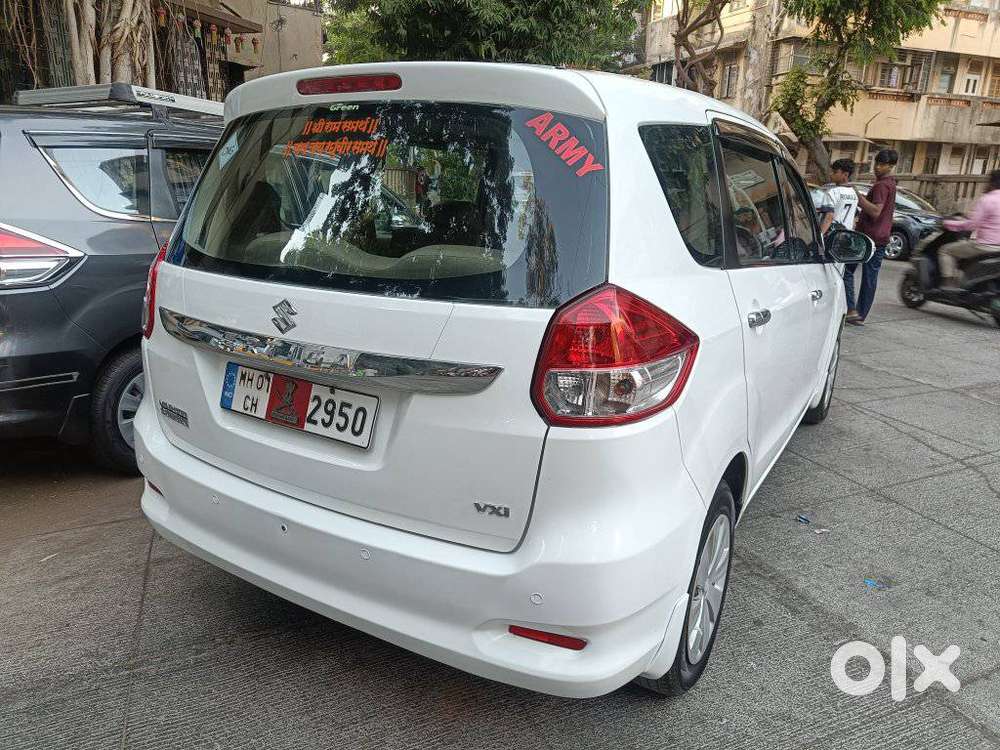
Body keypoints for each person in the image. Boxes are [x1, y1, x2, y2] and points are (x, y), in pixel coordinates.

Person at [844, 149, 898, 326]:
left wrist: (857, 196)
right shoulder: (890, 184)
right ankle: (859, 313)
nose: (877, 167)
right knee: (870, 277)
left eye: (882, 165)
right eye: (877, 163)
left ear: (890, 166)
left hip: (869, 237)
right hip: (881, 237)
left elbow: (875, 211)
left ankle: (852, 309)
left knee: (847, 270)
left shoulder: (882, 185)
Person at [938, 169, 1000, 286]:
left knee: (945, 251)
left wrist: (947, 223)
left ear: (992, 183)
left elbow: (971, 225)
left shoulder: (987, 199)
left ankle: (948, 283)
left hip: (984, 246)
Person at [816, 159, 859, 236]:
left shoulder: (832, 192)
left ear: (845, 175)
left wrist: (820, 237)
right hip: (846, 235)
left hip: (832, 235)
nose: (831, 174)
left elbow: (829, 217)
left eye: (835, 172)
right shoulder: (854, 193)